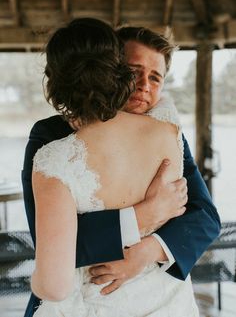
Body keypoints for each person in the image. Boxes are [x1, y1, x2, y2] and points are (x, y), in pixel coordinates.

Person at [22, 21, 221, 317]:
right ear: (111, 69)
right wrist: (142, 216)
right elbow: (47, 240)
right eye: (134, 71)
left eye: (155, 78)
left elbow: (204, 217)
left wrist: (148, 251)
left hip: (161, 300)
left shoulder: (169, 132)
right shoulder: (51, 136)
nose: (144, 85)